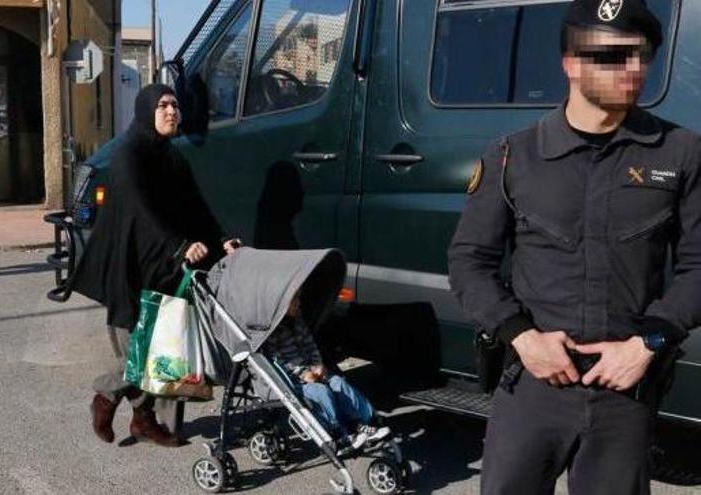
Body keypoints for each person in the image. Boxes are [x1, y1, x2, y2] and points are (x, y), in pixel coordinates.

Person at [448, 1, 701, 494]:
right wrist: (520, 336)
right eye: (612, 56)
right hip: (533, 385)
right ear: (571, 64)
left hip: (624, 389)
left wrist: (648, 344)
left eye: (641, 55)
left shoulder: (681, 154)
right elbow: (469, 261)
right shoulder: (512, 156)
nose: (633, 69)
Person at [71, 84, 241, 447]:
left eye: (175, 106)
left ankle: (143, 421)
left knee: (168, 349)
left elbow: (195, 208)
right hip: (130, 269)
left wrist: (218, 240)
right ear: (146, 109)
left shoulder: (173, 157)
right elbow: (140, 212)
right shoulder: (128, 155)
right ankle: (106, 396)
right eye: (162, 105)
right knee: (140, 349)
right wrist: (178, 246)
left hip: (166, 266)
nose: (171, 112)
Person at [263, 289, 390, 452]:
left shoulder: (298, 320)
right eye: (295, 301)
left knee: (338, 383)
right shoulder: (273, 332)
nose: (299, 303)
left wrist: (318, 364)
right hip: (293, 380)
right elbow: (278, 361)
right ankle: (340, 432)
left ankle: (367, 420)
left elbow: (310, 345)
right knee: (321, 392)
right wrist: (302, 373)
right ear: (283, 304)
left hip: (311, 370)